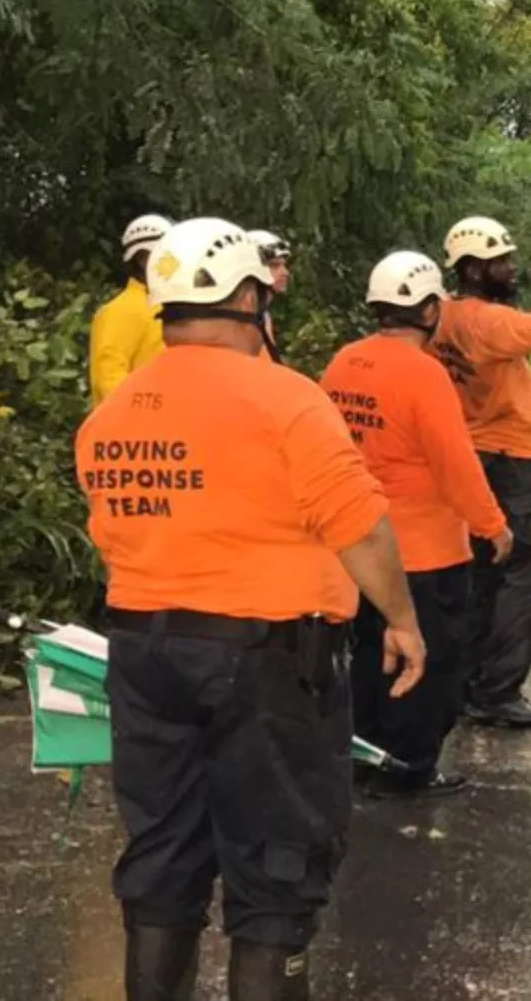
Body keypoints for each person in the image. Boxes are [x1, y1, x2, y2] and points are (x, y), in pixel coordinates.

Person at [76, 217, 425, 1000]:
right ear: (247, 297)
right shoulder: (286, 400)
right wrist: (401, 619)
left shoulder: (112, 415)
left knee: (162, 854)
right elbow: (362, 528)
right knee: (276, 867)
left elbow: (114, 533)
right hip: (265, 665)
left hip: (144, 658)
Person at [322, 252, 514, 798]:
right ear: (428, 309)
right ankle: (410, 768)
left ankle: (364, 754)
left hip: (357, 546)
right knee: (427, 661)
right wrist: (492, 526)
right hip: (426, 554)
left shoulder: (342, 364)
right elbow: (456, 464)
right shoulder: (424, 375)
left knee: (366, 656)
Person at [433, 204, 531, 729]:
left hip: (474, 456)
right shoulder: (489, 321)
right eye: (502, 262)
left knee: (483, 574)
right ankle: (499, 691)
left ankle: (467, 683)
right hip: (514, 463)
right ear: (474, 270)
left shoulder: (443, 316)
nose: (512, 269)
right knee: (526, 573)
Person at [88, 213, 172, 405]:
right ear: (142, 259)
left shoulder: (169, 305)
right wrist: (152, 411)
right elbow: (108, 379)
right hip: (139, 429)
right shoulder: (121, 310)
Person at [247, 230, 292, 362]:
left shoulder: (263, 317)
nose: (285, 272)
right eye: (274, 265)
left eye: (284, 265)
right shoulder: (242, 322)